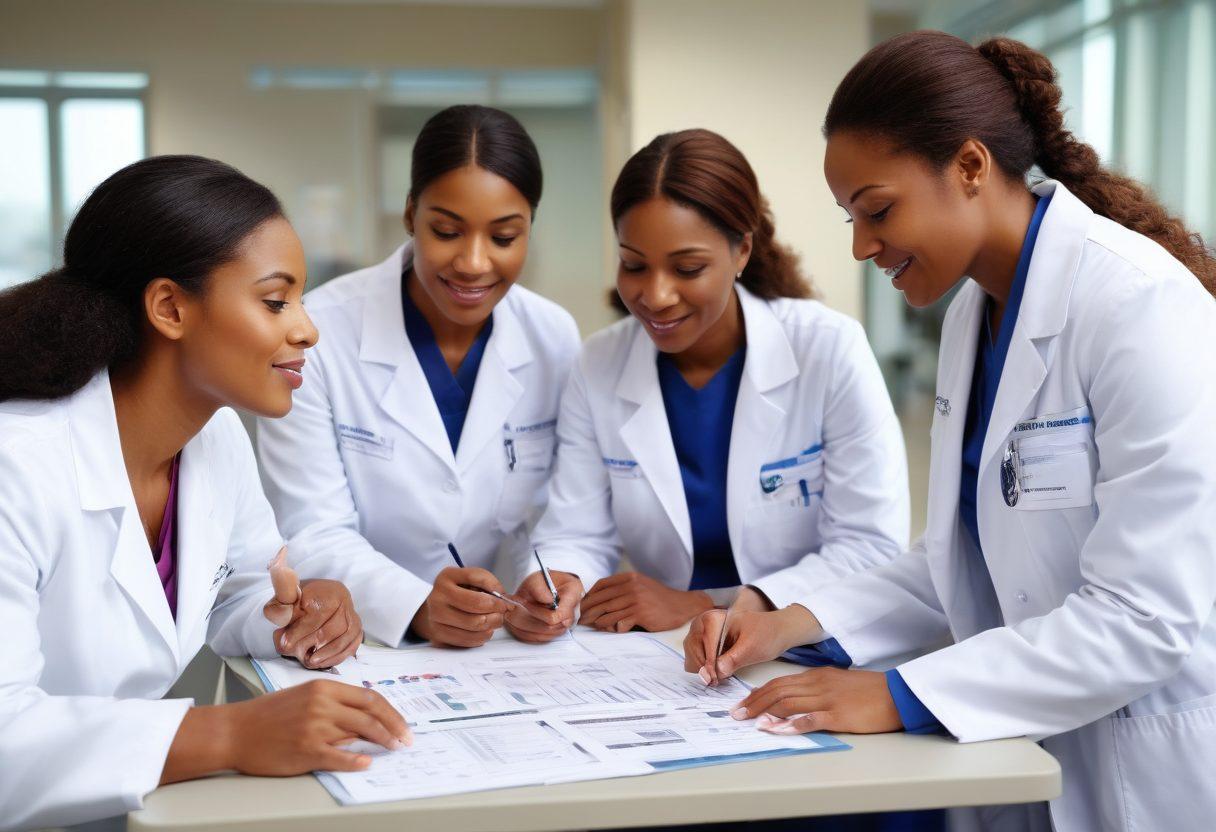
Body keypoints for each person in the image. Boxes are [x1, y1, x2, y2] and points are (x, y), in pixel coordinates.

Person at [686, 31, 1216, 832]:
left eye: (878, 210)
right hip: (1027, 752)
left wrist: (899, 693)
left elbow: (1145, 617)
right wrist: (794, 621)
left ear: (970, 167)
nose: (861, 247)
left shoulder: (1140, 306)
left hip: (1145, 766)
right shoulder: (977, 311)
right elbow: (961, 559)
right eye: (850, 217)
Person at [0, 156, 410, 831]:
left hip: (131, 809)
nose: (306, 329)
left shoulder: (213, 439)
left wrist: (301, 616)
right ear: (169, 307)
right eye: (276, 301)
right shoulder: (20, 467)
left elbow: (241, 593)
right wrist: (230, 735)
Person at [511, 128, 909, 642]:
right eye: (634, 265)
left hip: (803, 639)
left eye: (688, 268)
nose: (655, 296)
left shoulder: (828, 348)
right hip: (660, 653)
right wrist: (559, 579)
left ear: (741, 250)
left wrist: (703, 603)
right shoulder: (600, 363)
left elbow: (870, 545)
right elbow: (575, 529)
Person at [257, 105, 581, 650]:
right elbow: (311, 527)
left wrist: (550, 583)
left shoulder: (554, 337)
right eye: (447, 231)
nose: (474, 263)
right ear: (411, 214)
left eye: (504, 237)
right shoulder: (321, 331)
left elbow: (560, 512)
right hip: (366, 642)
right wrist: (413, 605)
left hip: (509, 651)